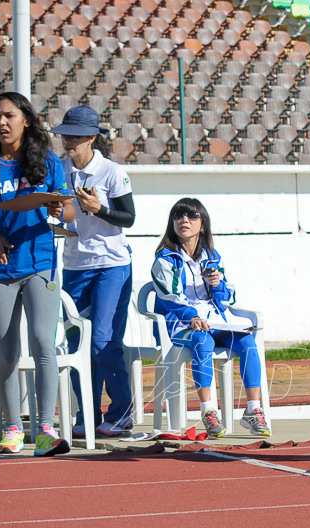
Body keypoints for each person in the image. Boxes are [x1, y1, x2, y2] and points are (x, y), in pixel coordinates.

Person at [0, 91, 76, 455]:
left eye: (8, 115)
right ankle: (12, 431)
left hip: (40, 264)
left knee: (42, 342)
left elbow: (68, 212)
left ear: (26, 119)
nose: (1, 123)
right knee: (6, 351)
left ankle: (45, 430)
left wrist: (58, 209)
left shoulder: (49, 162)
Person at [150, 197, 270, 438]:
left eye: (192, 216)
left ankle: (253, 410)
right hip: (179, 323)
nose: (184, 220)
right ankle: (208, 411)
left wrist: (218, 285)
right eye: (178, 216)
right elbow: (170, 298)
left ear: (202, 224)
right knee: (203, 341)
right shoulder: (164, 260)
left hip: (215, 319)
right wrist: (192, 316)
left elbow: (227, 299)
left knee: (247, 342)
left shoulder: (213, 256)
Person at [52, 105, 136, 438]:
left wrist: (98, 208)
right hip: (74, 266)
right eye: (64, 135)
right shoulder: (58, 170)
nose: (67, 141)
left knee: (102, 340)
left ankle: (122, 411)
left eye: (73, 136)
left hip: (112, 266)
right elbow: (59, 214)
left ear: (91, 138)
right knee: (77, 345)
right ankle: (87, 412)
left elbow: (128, 218)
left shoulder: (113, 172)